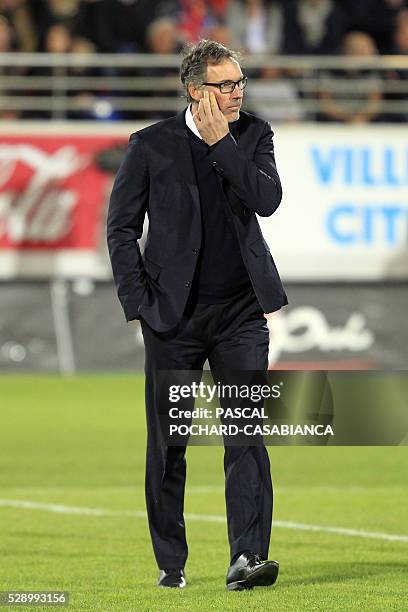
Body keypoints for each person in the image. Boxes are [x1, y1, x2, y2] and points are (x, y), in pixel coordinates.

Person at [107, 39, 287, 591]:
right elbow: (120, 229)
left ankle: (246, 558)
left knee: (247, 436)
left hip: (240, 315)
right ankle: (171, 564)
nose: (236, 93)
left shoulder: (253, 134)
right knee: (169, 444)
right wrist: (140, 304)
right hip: (174, 320)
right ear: (194, 90)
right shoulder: (150, 145)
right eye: (225, 85)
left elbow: (267, 199)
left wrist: (222, 144)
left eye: (240, 83)